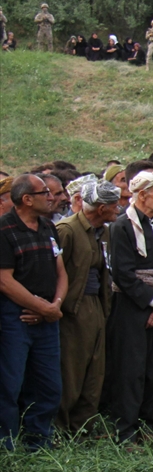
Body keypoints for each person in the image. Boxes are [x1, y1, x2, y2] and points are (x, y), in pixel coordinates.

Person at [105, 171, 153, 446]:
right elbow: (123, 274)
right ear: (142, 195)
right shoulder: (122, 226)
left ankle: (151, 426)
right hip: (132, 306)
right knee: (131, 371)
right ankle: (126, 431)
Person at [0, 174, 68, 451]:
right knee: (10, 384)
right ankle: (7, 445)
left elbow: (61, 270)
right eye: (45, 193)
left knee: (49, 384)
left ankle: (39, 440)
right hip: (15, 317)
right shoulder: (4, 231)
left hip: (48, 316)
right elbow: (4, 280)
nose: (51, 197)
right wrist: (42, 307)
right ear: (27, 199)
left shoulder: (48, 227)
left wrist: (55, 305)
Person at [55, 178, 118, 437]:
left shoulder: (103, 232)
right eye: (114, 205)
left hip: (96, 306)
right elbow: (56, 273)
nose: (118, 209)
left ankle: (84, 427)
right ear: (101, 208)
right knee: (71, 370)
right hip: (72, 310)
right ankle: (61, 429)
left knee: (95, 370)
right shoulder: (67, 230)